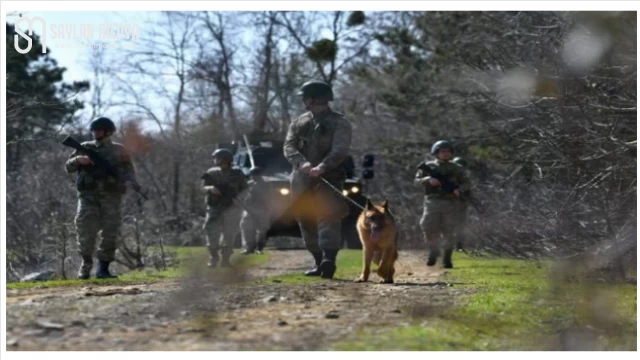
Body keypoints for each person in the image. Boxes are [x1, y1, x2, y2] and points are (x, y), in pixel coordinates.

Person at [284, 80, 352, 279]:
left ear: (313, 98)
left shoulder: (340, 122)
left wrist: (323, 166)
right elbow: (289, 147)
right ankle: (317, 261)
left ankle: (329, 260)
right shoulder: (298, 122)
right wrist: (301, 163)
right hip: (301, 179)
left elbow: (340, 149)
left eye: (305, 97)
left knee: (328, 216)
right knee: (305, 218)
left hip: (328, 178)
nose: (303, 101)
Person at [65, 117, 136, 279]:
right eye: (94, 130)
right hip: (88, 197)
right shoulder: (84, 147)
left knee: (111, 232)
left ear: (108, 132)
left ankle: (103, 269)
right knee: (85, 230)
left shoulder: (119, 150)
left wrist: (130, 181)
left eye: (99, 130)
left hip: (112, 198)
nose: (96, 133)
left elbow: (130, 170)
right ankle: (86, 265)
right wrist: (78, 160)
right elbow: (68, 167)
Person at [414, 140, 470, 269]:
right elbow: (416, 182)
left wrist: (459, 189)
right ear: (436, 153)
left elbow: (467, 182)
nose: (445, 154)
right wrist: (428, 179)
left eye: (447, 151)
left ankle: (447, 258)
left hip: (451, 202)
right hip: (432, 202)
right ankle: (433, 250)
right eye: (442, 151)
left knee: (449, 231)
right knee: (427, 226)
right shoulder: (429, 166)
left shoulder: (457, 168)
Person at [201, 148, 247, 268]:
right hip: (214, 208)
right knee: (212, 234)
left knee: (229, 235)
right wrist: (211, 188)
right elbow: (203, 187)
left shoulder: (237, 173)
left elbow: (245, 190)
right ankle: (213, 257)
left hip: (231, 208)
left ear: (224, 159)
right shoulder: (211, 172)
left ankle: (226, 259)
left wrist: (239, 199)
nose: (215, 160)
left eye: (216, 158)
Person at [239, 166, 270, 254]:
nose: (253, 176)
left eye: (255, 175)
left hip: (262, 209)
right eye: (252, 175)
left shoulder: (265, 184)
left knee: (262, 230)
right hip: (248, 209)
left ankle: (259, 248)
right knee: (246, 228)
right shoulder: (249, 184)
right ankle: (249, 248)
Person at [451, 157, 470, 251]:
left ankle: (459, 245)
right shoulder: (448, 176)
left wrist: (460, 190)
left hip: (461, 203)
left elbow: (467, 187)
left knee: (460, 225)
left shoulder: (465, 178)